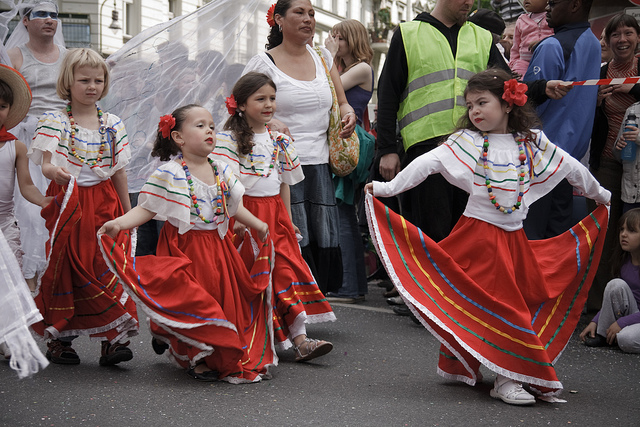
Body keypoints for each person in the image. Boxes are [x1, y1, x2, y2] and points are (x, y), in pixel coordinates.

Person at [365, 69, 611, 405]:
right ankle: (507, 379)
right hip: (477, 239)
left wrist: (599, 194)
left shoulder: (532, 142)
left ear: (508, 104)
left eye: (483, 102)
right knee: (504, 309)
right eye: (470, 105)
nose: (475, 111)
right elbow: (428, 163)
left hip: (513, 242)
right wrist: (387, 188)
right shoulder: (466, 142)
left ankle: (483, 368)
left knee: (516, 304)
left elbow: (570, 166)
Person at [99, 104, 277, 382]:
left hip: (219, 250)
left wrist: (258, 224)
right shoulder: (170, 172)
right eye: (200, 125)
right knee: (194, 302)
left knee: (219, 304)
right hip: (183, 249)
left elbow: (235, 206)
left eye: (212, 126)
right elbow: (146, 208)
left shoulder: (220, 169)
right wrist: (120, 223)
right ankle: (199, 356)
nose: (209, 130)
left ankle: (172, 333)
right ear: (178, 137)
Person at [212, 72, 335, 361]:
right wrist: (239, 219)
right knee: (254, 277)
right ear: (240, 104)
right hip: (245, 215)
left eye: (272, 98)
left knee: (286, 270)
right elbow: (226, 185)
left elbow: (283, 183)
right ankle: (262, 336)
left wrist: (288, 216)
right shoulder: (226, 140)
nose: (269, 105)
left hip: (275, 214)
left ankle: (302, 339)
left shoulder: (280, 140)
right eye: (260, 99)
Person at [28, 48, 138, 366]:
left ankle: (112, 339)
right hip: (70, 203)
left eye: (98, 80)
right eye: (84, 80)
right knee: (68, 267)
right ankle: (60, 339)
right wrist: (55, 173)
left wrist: (128, 213)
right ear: (68, 82)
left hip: (105, 202)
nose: (92, 86)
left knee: (106, 266)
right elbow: (47, 164)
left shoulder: (113, 124)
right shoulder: (56, 121)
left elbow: (119, 170)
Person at [242, 0, 356, 295]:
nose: (308, 19)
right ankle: (288, 299)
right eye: (300, 13)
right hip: (279, 165)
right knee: (290, 231)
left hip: (318, 162)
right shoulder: (262, 62)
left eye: (312, 14)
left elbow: (341, 101)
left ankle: (310, 302)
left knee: (319, 233)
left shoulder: (323, 56)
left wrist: (348, 113)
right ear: (279, 19)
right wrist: (273, 120)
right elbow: (241, 106)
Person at [377, 0, 511, 248]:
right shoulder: (407, 34)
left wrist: (541, 88)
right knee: (431, 240)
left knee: (470, 241)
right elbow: (388, 95)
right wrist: (386, 149)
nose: (469, 3)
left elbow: (508, 89)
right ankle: (428, 288)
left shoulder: (482, 38)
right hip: (425, 151)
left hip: (474, 152)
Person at [522, 0, 600, 240]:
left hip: (540, 160)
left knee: (531, 241)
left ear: (576, 4)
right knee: (556, 242)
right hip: (570, 162)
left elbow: (523, 99)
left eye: (553, 3)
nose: (547, 8)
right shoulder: (594, 43)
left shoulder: (552, 46)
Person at [6, 0, 67, 292]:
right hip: (27, 139)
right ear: (26, 21)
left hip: (63, 140)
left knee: (63, 206)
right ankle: (29, 279)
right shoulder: (14, 55)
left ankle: (59, 278)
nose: (49, 20)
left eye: (54, 15)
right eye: (41, 14)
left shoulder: (70, 57)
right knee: (28, 211)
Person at [588, 13, 640, 311]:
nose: (622, 40)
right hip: (608, 160)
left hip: (638, 164)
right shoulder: (601, 71)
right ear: (606, 41)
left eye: (628, 33)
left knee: (636, 233)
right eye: (615, 35)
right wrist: (594, 103)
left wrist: (630, 87)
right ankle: (599, 306)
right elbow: (589, 122)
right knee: (605, 234)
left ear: (638, 38)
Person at [0, 63, 51, 366]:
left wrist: (50, 203)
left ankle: (8, 336)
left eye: (3, 106)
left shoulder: (16, 147)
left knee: (11, 282)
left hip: (5, 225)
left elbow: (28, 187)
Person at [323, 19, 375, 303]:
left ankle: (348, 284)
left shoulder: (362, 68)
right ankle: (352, 284)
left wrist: (328, 56)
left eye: (339, 38)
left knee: (342, 213)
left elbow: (330, 90)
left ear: (351, 40)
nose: (334, 42)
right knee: (343, 213)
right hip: (345, 140)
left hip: (349, 141)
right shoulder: (350, 68)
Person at [580, 208, 640, 353]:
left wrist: (621, 323)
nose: (624, 234)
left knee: (625, 339)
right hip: (634, 315)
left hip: (633, 320)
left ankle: (618, 335)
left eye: (631, 231)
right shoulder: (623, 260)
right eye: (622, 230)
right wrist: (596, 321)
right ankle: (602, 335)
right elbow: (614, 298)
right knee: (615, 284)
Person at [508, 0, 554, 78]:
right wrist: (513, 64)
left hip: (546, 60)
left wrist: (543, 43)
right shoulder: (521, 20)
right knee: (519, 82)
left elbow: (558, 38)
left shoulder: (553, 17)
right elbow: (515, 48)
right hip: (523, 62)